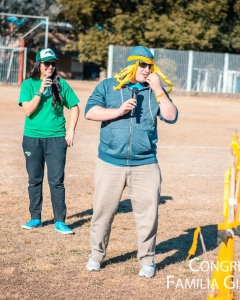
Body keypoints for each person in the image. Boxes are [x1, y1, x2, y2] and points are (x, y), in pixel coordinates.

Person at [84, 45, 178, 277]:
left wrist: (158, 90)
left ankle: (147, 260)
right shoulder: (108, 85)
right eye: (143, 65)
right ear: (132, 65)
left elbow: (171, 116)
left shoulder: (155, 90)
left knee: (148, 215)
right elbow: (90, 112)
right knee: (102, 213)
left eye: (150, 66)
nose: (147, 70)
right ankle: (96, 255)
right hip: (110, 163)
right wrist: (117, 111)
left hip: (145, 164)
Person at [19, 48, 80, 235]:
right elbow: (28, 111)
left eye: (53, 63)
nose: (51, 67)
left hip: (56, 139)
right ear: (39, 64)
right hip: (32, 139)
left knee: (56, 181)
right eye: (47, 63)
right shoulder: (28, 84)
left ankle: (60, 221)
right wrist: (40, 91)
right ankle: (35, 218)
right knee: (34, 180)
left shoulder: (61, 84)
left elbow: (75, 107)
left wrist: (70, 131)